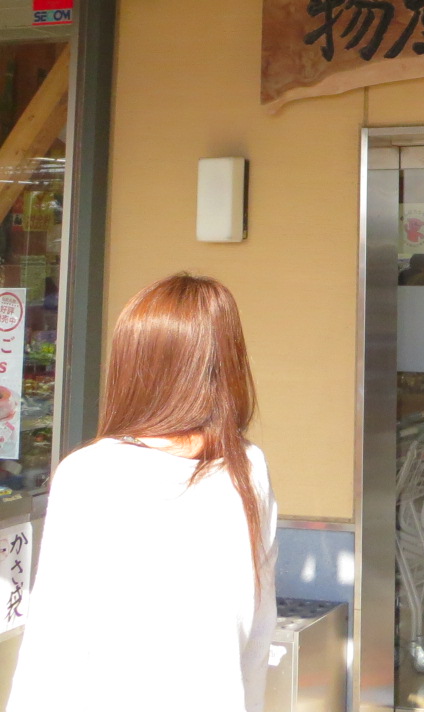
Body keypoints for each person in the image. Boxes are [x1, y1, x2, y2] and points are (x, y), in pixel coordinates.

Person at [8, 273, 278, 712]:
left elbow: (54, 640)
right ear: (227, 363)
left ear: (132, 364)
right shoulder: (247, 467)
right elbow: (258, 629)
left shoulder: (91, 472)